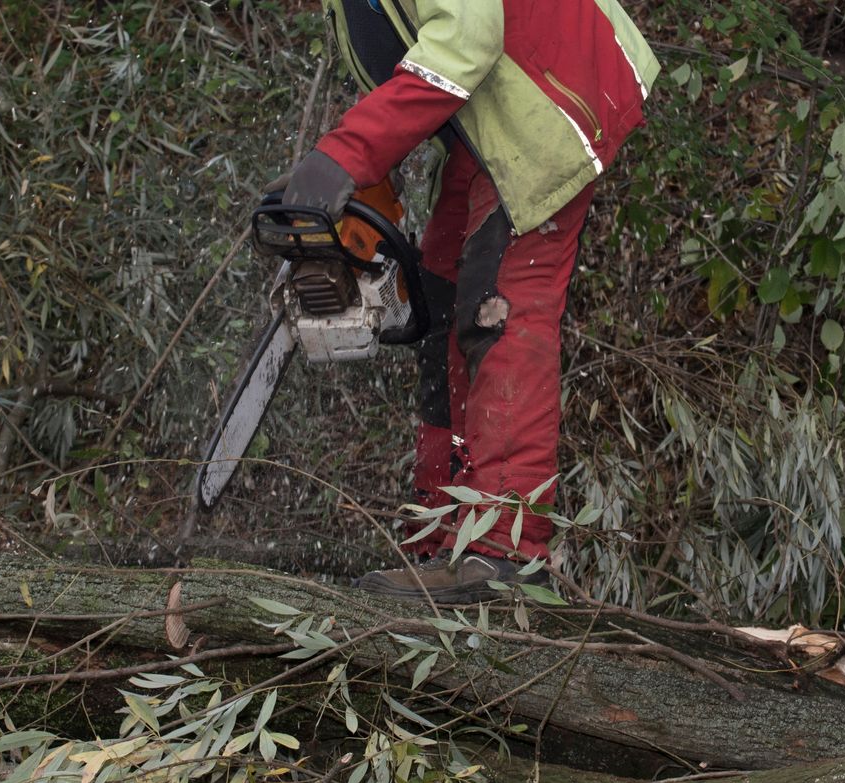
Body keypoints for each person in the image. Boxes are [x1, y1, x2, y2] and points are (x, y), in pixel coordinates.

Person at [277, 0, 659, 603]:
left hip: (553, 94)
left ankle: (506, 549)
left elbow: (469, 33)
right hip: (492, 112)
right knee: (440, 292)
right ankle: (442, 528)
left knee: (500, 305)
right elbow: (409, 63)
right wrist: (362, 169)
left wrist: (347, 155)